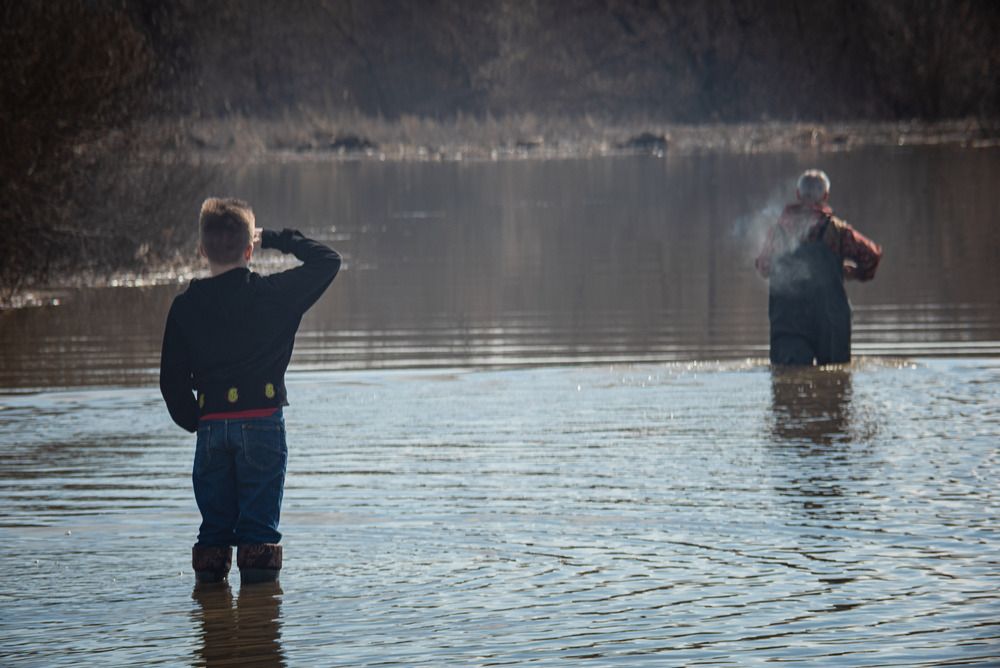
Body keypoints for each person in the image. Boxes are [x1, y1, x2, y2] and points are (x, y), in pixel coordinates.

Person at [160, 198, 341, 584]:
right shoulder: (276, 294)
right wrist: (277, 237)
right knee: (259, 539)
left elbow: (171, 383)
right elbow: (329, 261)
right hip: (262, 426)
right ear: (249, 248)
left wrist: (199, 422)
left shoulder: (185, 307)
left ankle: (212, 630)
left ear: (202, 250)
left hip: (210, 428)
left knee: (212, 536)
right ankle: (258, 636)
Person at [755, 170, 881, 365]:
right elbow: (872, 255)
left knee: (788, 384)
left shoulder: (779, 232)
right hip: (830, 320)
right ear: (826, 196)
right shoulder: (838, 231)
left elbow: (763, 267)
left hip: (788, 321)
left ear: (798, 195)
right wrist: (856, 273)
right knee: (834, 383)